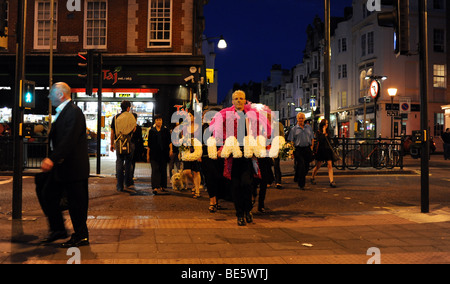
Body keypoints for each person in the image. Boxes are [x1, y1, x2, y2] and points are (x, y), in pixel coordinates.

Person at [40, 82, 90, 248]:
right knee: (46, 193)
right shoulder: (63, 112)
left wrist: (52, 159)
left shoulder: (73, 112)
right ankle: (58, 230)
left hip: (73, 168)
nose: (48, 97)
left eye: (51, 94)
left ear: (60, 94)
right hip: (62, 168)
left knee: (77, 203)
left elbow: (69, 139)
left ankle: (81, 236)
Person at [211, 90, 260, 226]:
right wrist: (221, 149)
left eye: (241, 98)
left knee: (247, 184)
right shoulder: (227, 116)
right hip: (232, 156)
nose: (239, 101)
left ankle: (248, 210)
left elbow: (257, 133)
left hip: (247, 155)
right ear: (232, 101)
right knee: (236, 186)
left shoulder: (251, 116)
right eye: (236, 98)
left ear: (245, 100)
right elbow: (221, 135)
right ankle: (239, 214)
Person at [110, 100, 136, 193]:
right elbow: (134, 129)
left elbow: (112, 131)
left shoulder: (115, 117)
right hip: (129, 142)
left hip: (119, 142)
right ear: (128, 108)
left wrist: (112, 143)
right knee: (128, 163)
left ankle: (119, 185)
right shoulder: (131, 117)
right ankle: (127, 182)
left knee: (119, 162)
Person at [287, 112, 314, 190]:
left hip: (307, 149)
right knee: (301, 165)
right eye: (299, 118)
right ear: (297, 119)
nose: (301, 120)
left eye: (302, 118)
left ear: (304, 119)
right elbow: (291, 141)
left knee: (306, 167)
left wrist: (311, 147)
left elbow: (312, 138)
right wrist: (291, 152)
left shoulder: (309, 128)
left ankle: (297, 176)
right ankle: (301, 184)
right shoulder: (294, 129)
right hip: (298, 149)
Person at [147, 114, 172, 195]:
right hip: (154, 154)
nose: (159, 121)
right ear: (155, 121)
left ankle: (163, 186)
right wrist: (148, 154)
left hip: (163, 153)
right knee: (155, 170)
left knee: (163, 169)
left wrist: (171, 150)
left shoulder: (166, 130)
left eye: (160, 120)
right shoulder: (151, 131)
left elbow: (169, 142)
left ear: (162, 121)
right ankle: (155, 187)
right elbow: (149, 144)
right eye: (157, 120)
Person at [180, 110, 202, 198]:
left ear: (194, 117)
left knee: (196, 171)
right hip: (187, 151)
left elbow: (201, 140)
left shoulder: (199, 127)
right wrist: (181, 152)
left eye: (191, 116)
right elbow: (182, 139)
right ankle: (194, 184)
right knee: (186, 172)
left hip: (196, 150)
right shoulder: (184, 127)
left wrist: (200, 154)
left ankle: (197, 191)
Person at [310, 119, 336, 188]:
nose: (326, 125)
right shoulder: (318, 132)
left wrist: (326, 134)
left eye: (327, 123)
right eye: (325, 124)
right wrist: (323, 133)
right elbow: (320, 140)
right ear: (322, 125)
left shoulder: (329, 132)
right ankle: (312, 177)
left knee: (330, 165)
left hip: (327, 150)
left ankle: (331, 181)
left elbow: (329, 141)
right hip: (321, 151)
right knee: (318, 165)